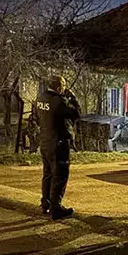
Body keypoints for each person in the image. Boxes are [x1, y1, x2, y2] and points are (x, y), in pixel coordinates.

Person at [37, 76, 80, 220]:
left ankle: (45, 203)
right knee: (60, 175)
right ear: (58, 87)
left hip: (45, 141)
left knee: (48, 173)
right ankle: (56, 208)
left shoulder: (41, 98)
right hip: (59, 142)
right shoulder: (59, 101)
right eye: (63, 87)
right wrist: (72, 98)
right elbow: (76, 113)